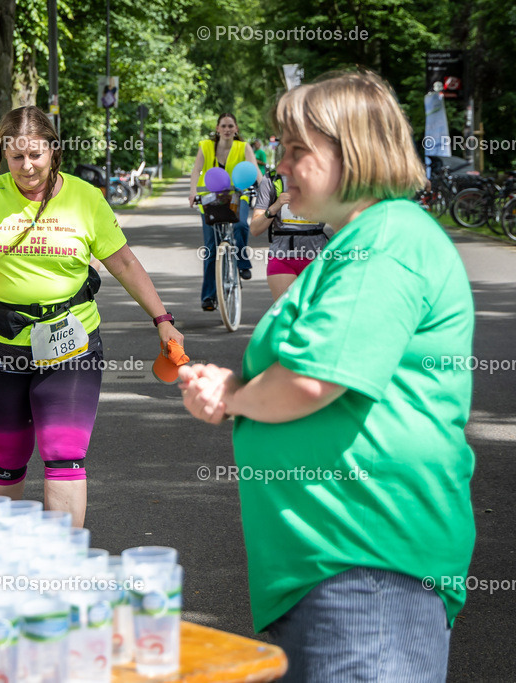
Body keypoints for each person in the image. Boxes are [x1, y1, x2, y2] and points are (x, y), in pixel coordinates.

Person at [179, 70, 475, 682]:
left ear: (354, 151)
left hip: (366, 573)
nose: (278, 164)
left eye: (295, 149)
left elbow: (313, 380)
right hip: (345, 573)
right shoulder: (362, 242)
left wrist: (234, 398)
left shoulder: (384, 242)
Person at [0, 106, 183, 528]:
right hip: (0, 342)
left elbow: (123, 262)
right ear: (3, 154)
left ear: (54, 150)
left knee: (64, 453)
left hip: (71, 341)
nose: (27, 166)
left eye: (36, 154)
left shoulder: (85, 198)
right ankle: (7, 557)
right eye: (17, 157)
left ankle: (61, 566)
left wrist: (161, 318)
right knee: (8, 457)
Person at [187, 113, 260, 311]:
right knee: (211, 247)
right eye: (223, 126)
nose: (227, 129)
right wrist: (193, 192)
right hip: (210, 199)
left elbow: (254, 170)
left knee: (241, 225)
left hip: (237, 196)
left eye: (230, 126)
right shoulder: (206, 146)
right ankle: (209, 296)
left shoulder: (243, 147)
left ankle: (243, 263)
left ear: (236, 129)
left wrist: (266, 191)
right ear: (218, 128)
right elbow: (196, 170)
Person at [249, 166, 331, 300]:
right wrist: (275, 206)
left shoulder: (326, 178)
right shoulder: (272, 179)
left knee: (312, 315)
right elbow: (255, 229)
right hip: (282, 257)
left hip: (316, 256)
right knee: (286, 314)